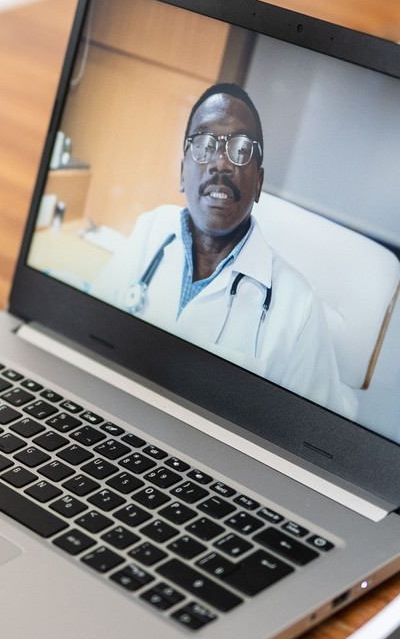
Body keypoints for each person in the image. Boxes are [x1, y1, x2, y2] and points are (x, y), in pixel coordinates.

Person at [91, 83, 357, 416]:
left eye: (241, 149)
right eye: (203, 145)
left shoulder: (300, 308)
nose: (221, 163)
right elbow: (91, 338)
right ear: (182, 173)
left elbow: (315, 435)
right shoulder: (150, 230)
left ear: (258, 183)